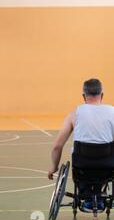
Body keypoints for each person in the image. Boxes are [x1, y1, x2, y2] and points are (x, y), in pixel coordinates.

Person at [48, 78, 114, 211]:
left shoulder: (74, 114)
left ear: (84, 96)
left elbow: (57, 146)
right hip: (107, 167)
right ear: (102, 95)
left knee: (83, 166)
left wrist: (54, 167)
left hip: (82, 168)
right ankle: (100, 195)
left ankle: (88, 197)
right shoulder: (112, 112)